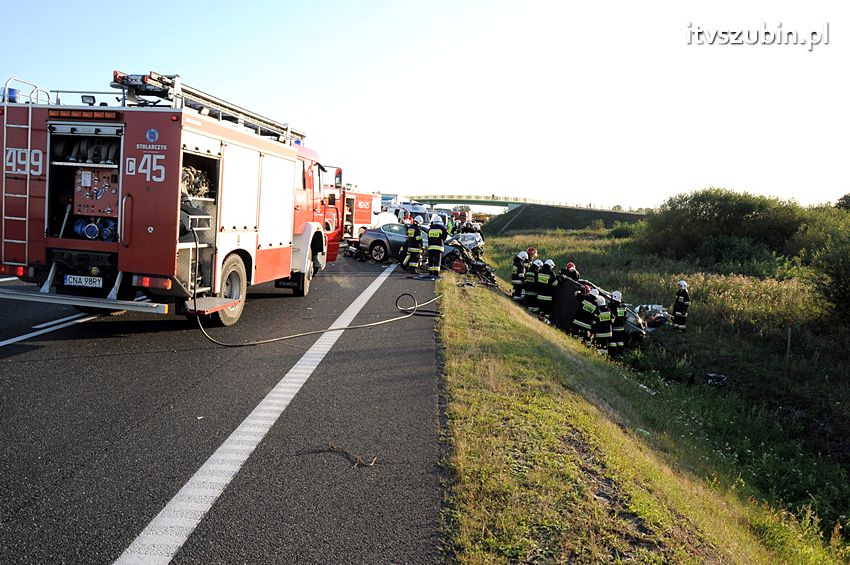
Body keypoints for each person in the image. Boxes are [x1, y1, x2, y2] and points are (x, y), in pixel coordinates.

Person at [609, 290, 626, 356]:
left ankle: (613, 354)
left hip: (615, 327)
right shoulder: (623, 307)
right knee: (620, 341)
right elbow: (624, 316)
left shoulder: (613, 306)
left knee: (613, 341)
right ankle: (620, 353)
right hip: (621, 327)